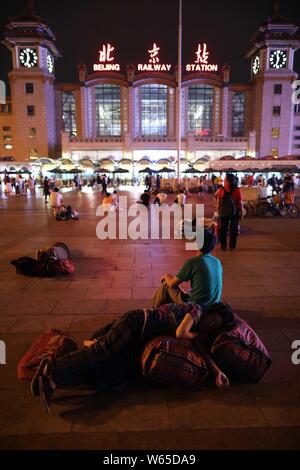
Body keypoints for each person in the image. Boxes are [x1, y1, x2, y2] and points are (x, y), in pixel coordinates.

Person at [31, 301, 235, 412]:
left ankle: (53, 381)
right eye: (213, 321)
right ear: (211, 312)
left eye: (215, 327)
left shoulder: (200, 327)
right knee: (100, 353)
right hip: (136, 322)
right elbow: (181, 333)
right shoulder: (197, 310)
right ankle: (51, 368)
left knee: (109, 363)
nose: (211, 326)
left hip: (137, 332)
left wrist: (217, 371)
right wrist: (198, 334)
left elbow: (202, 351)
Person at [151, 228, 222, 309]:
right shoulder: (217, 262)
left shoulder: (193, 262)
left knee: (166, 285)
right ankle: (156, 307)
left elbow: (172, 283)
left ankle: (153, 312)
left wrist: (166, 276)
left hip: (196, 307)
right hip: (214, 305)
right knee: (183, 291)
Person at [216, 173, 242, 251]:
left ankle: (223, 246)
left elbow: (218, 202)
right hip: (234, 212)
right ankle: (232, 246)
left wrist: (218, 211)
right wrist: (240, 212)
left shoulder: (221, 190)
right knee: (233, 229)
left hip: (223, 212)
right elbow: (239, 202)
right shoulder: (237, 189)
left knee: (223, 229)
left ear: (226, 180)